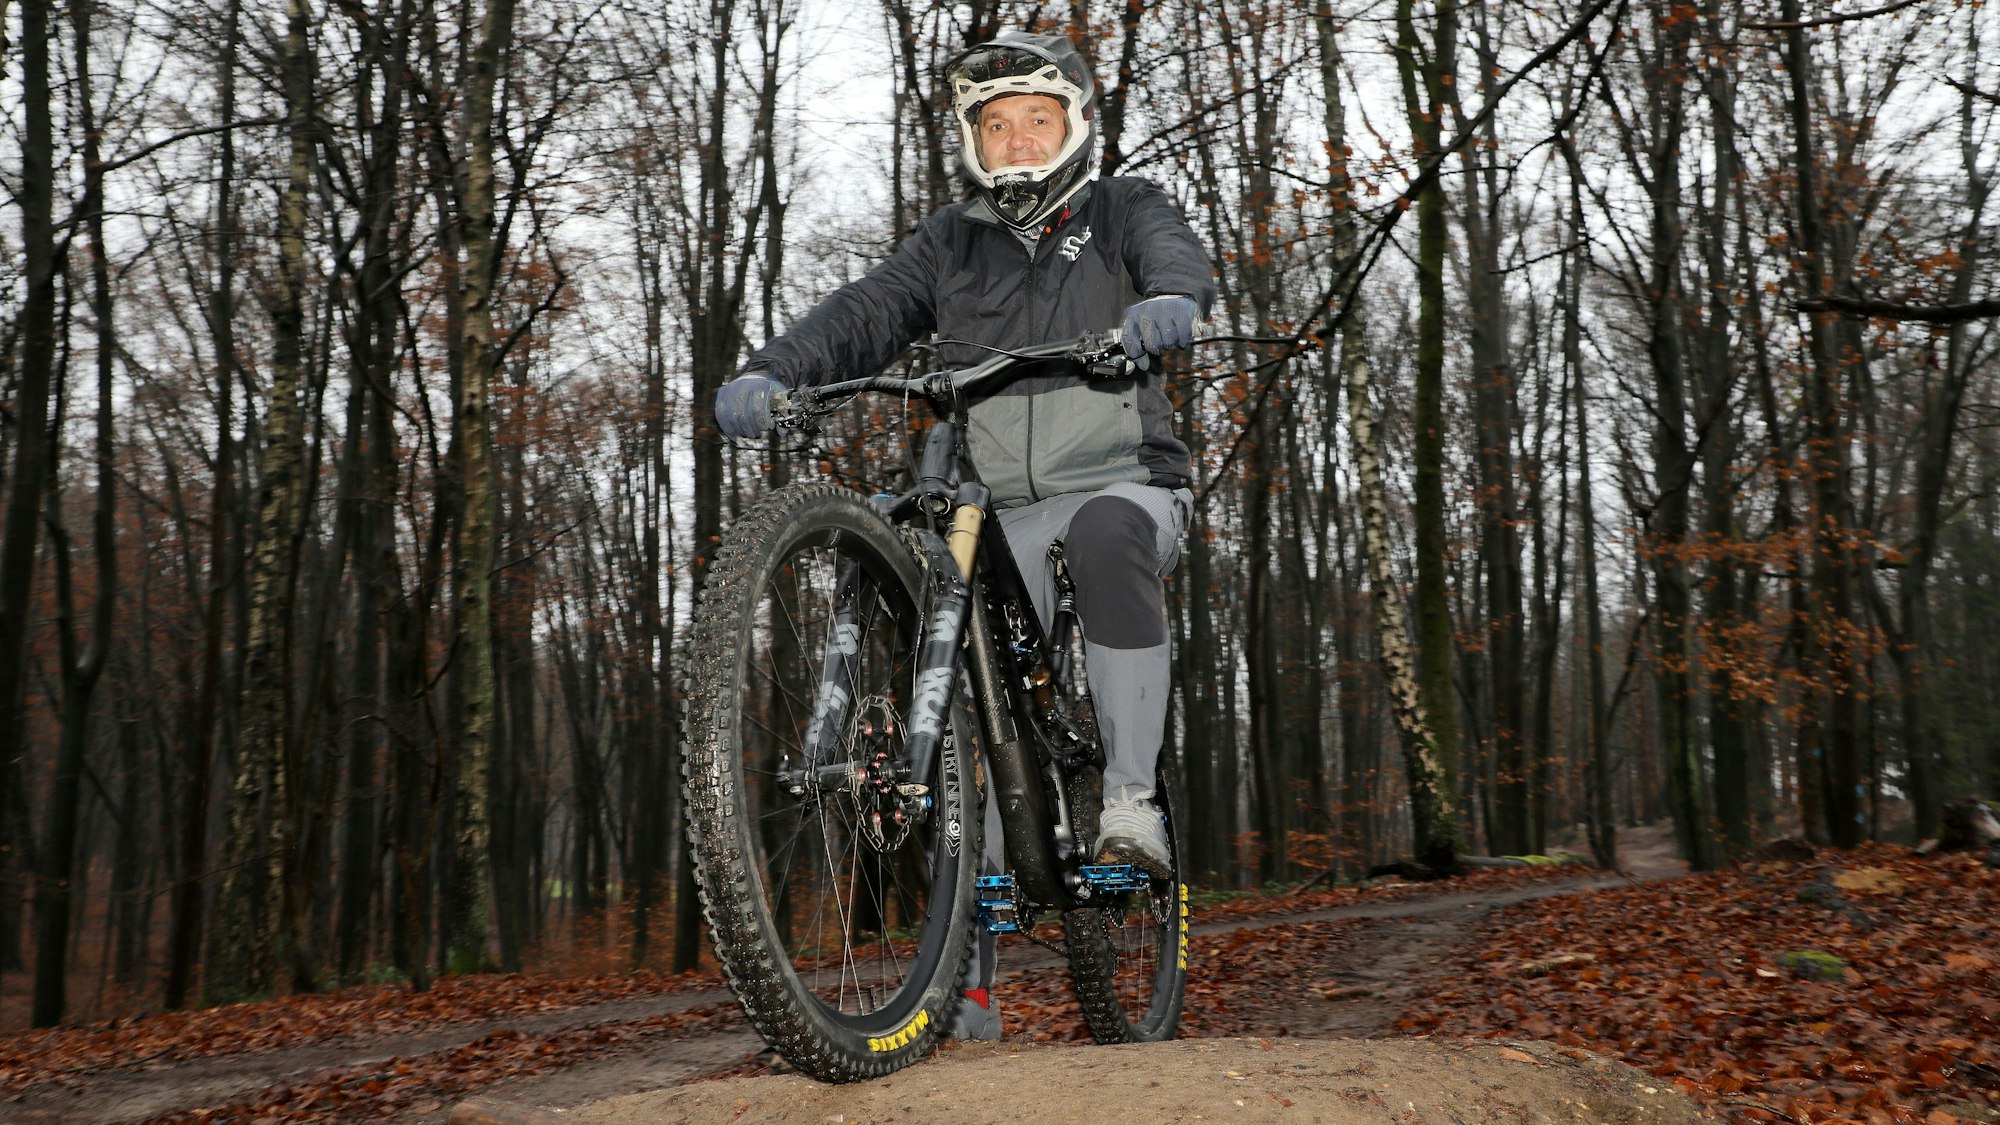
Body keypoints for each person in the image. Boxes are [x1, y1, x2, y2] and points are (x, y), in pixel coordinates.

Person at [712, 29, 1214, 1042]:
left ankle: (1127, 801)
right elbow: (867, 311)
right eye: (996, 122)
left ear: (1073, 126)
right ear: (972, 140)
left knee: (1112, 531)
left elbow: (1174, 255)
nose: (1017, 137)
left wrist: (1168, 301)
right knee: (969, 696)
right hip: (998, 505)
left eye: (1036, 117)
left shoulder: (1122, 206)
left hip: (1119, 480)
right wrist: (771, 370)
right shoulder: (950, 242)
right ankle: (965, 991)